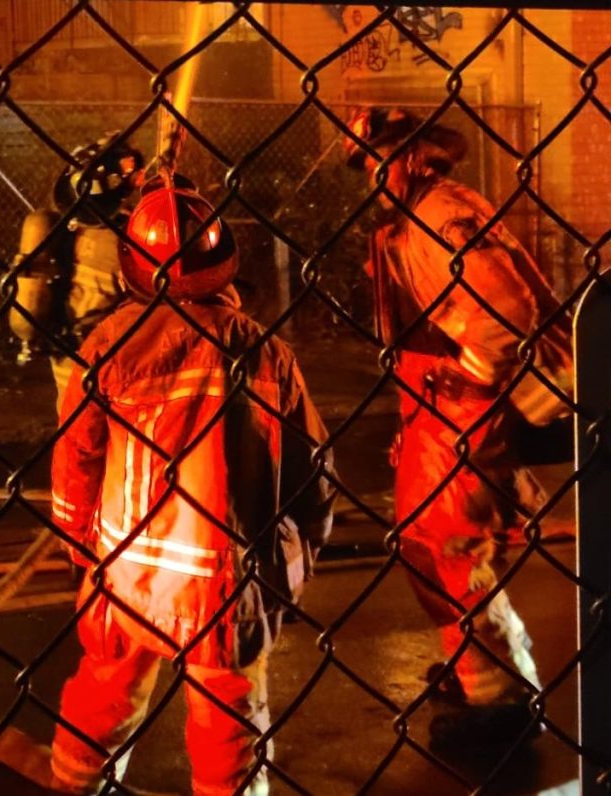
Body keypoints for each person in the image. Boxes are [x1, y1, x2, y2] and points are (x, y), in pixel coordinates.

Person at [48, 177, 335, 795]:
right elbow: (314, 477)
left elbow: (76, 461)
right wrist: (294, 559)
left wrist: (80, 546)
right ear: (222, 262)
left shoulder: (106, 347)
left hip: (123, 574)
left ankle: (75, 786)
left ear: (132, 268)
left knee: (103, 696)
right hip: (219, 582)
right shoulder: (263, 352)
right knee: (229, 723)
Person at [342, 106, 574, 746]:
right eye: (367, 162)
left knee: (453, 546)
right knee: (424, 539)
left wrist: (463, 388)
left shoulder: (440, 214)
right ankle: (479, 663)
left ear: (415, 155)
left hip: (461, 407)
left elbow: (503, 312)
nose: (372, 174)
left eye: (381, 157)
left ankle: (500, 698)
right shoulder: (417, 216)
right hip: (438, 405)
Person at [8, 133, 145, 409]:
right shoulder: (129, 241)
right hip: (114, 370)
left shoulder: (58, 232)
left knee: (74, 433)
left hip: (65, 360)